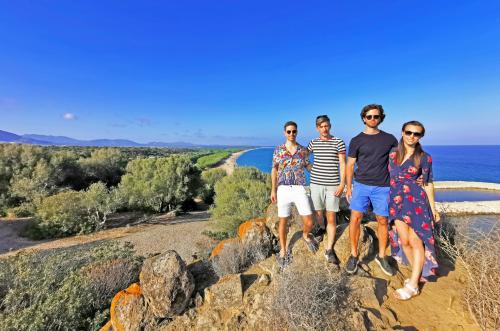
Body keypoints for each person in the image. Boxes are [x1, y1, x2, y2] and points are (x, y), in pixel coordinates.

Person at [388, 121, 440, 300]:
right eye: (409, 132)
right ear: (402, 132)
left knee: (416, 242)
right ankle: (415, 274)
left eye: (416, 134)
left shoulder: (424, 157)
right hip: (396, 203)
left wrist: (433, 209)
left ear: (420, 137)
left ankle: (413, 285)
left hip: (416, 203)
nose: (412, 136)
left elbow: (428, 183)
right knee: (404, 241)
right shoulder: (392, 154)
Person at [345, 104, 398, 276]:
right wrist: (348, 186)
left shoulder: (390, 139)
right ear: (363, 118)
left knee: (383, 220)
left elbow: (397, 162)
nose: (373, 119)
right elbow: (350, 165)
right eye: (369, 116)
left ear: (381, 118)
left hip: (383, 186)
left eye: (376, 116)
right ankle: (354, 255)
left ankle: (381, 256)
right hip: (361, 185)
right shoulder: (356, 140)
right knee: (355, 219)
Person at [271, 121, 318, 269]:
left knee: (309, 221)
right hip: (283, 189)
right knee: (283, 222)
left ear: (297, 132)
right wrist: (273, 190)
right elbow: (274, 170)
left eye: (294, 131)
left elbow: (308, 166)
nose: (292, 134)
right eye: (289, 131)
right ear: (285, 133)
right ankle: (284, 250)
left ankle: (305, 235)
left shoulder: (303, 150)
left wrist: (322, 170)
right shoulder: (278, 150)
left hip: (299, 188)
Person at [307, 115, 346, 265]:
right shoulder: (313, 143)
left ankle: (329, 249)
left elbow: (342, 163)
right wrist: (309, 167)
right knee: (318, 213)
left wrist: (342, 184)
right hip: (316, 183)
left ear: (330, 126)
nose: (324, 128)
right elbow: (303, 156)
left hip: (333, 185)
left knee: (331, 216)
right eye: (321, 126)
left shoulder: (338, 142)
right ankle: (322, 230)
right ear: (317, 128)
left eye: (326, 126)